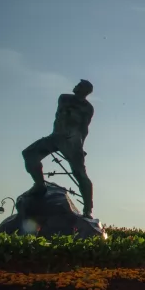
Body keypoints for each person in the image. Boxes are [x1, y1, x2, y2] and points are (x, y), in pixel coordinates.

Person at [22, 80, 95, 218]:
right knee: (29, 154)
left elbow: (84, 128)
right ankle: (39, 185)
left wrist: (80, 146)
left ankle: (88, 209)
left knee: (80, 174)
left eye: (79, 85)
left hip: (72, 141)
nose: (76, 86)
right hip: (55, 137)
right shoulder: (64, 97)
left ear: (84, 90)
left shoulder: (87, 108)